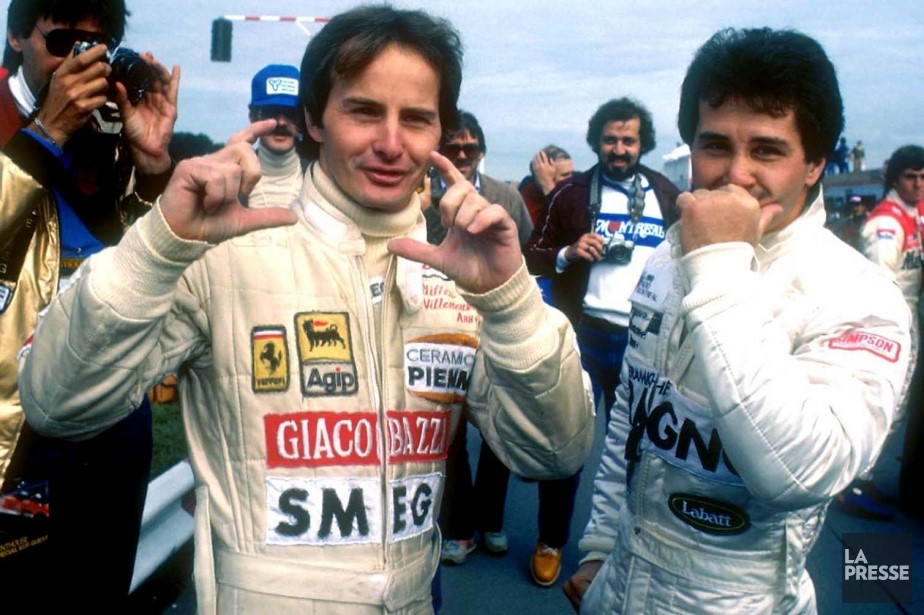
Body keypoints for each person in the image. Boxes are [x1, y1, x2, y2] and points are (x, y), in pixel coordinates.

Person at [17, 5, 594, 613]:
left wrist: (510, 301)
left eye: (417, 119)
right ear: (316, 118)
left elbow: (554, 453)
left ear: (440, 132)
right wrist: (157, 248)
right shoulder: (219, 247)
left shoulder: (461, 268)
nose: (392, 144)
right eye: (364, 111)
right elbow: (57, 403)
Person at [563, 27, 912, 614]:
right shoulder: (666, 258)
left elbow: (804, 471)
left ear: (814, 165)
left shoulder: (860, 294)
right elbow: (632, 413)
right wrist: (598, 544)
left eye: (768, 150)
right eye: (716, 144)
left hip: (742, 598)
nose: (735, 174)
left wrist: (720, 265)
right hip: (621, 581)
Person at [0, 0, 178, 607]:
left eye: (95, 48)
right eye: (63, 42)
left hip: (108, 416)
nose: (79, 63)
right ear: (17, 36)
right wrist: (43, 135)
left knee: (99, 592)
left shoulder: (107, 131)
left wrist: (153, 171)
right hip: (14, 424)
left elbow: (129, 264)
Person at [524, 97, 680, 426]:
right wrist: (569, 253)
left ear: (643, 144)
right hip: (584, 334)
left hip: (641, 342)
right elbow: (531, 258)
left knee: (631, 447)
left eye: (628, 141)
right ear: (597, 142)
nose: (619, 149)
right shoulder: (570, 193)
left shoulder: (665, 194)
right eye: (610, 140)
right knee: (567, 437)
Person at [844, 145, 924, 520]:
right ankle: (854, 482)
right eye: (911, 176)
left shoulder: (915, 213)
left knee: (899, 405)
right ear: (895, 179)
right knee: (881, 401)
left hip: (909, 317)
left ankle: (868, 476)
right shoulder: (885, 224)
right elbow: (880, 283)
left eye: (923, 176)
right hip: (887, 320)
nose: (919, 183)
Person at [424, 110, 533, 246]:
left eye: (470, 150)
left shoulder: (508, 197)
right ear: (441, 152)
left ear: (481, 153)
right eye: (453, 149)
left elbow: (528, 248)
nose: (462, 156)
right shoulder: (420, 196)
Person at [246, 63, 304, 209]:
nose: (281, 122)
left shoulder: (322, 178)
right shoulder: (230, 178)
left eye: (291, 113)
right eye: (271, 112)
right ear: (253, 118)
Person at [518, 144, 574, 227]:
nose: (571, 179)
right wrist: (548, 187)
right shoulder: (522, 201)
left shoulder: (575, 194)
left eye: (571, 173)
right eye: (565, 175)